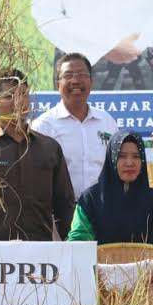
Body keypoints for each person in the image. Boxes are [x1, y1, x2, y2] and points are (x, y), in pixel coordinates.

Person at [0, 70, 76, 241]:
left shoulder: (49, 148)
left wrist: (73, 248)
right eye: (8, 96)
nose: (17, 102)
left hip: (39, 253)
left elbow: (64, 206)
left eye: (23, 94)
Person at [68, 131, 153, 284]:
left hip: (148, 289)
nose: (129, 163)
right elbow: (79, 239)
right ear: (111, 159)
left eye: (136, 156)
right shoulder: (90, 200)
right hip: (100, 288)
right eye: (122, 156)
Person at [30, 52, 119, 198]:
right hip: (61, 212)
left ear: (91, 81)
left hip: (102, 210)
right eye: (68, 75)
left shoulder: (107, 121)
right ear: (57, 84)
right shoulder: (43, 126)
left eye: (82, 74)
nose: (75, 80)